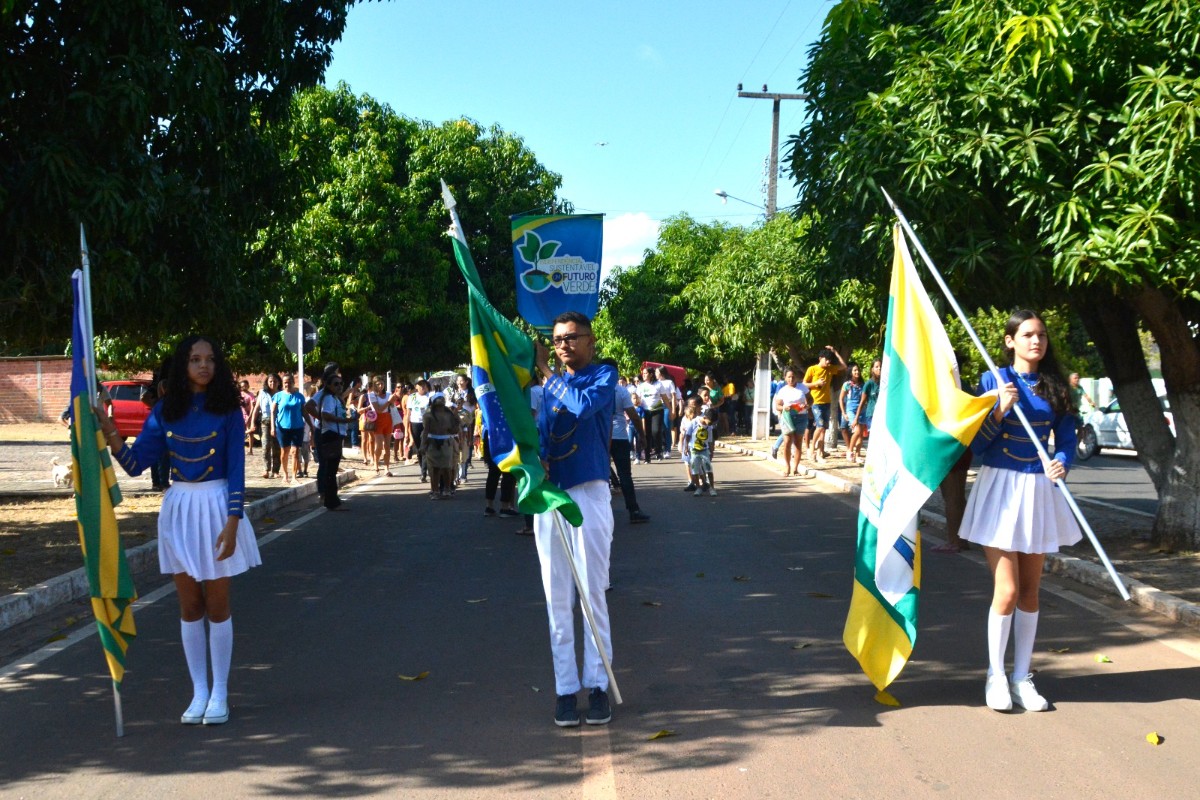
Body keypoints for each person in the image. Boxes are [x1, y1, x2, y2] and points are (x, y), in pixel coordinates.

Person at [97, 335, 261, 725]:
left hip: (219, 506)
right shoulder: (167, 412)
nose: (203, 366)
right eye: (194, 359)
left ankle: (220, 692)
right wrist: (109, 432)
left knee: (218, 607)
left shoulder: (228, 412)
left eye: (209, 359)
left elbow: (237, 469)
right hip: (180, 509)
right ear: (182, 366)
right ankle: (199, 691)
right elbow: (137, 464)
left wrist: (234, 521)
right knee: (190, 607)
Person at [959, 310, 1079, 713]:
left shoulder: (1055, 387)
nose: (1036, 342)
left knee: (1030, 592)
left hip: (1039, 488)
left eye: (1041, 335)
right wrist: (999, 409)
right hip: (1000, 487)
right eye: (1027, 335)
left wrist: (1062, 459)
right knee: (1007, 591)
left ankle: (1022, 676)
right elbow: (977, 446)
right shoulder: (994, 381)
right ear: (1010, 340)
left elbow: (1066, 436)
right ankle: (995, 674)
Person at [533, 311, 617, 727]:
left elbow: (583, 408)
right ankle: (565, 690)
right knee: (557, 599)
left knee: (592, 594)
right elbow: (543, 434)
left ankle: (598, 684)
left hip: (588, 493)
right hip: (552, 498)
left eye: (571, 337)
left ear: (590, 340)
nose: (563, 345)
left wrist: (546, 371)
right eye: (556, 339)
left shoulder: (604, 376)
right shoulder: (548, 388)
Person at [307, 369, 347, 510]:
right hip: (327, 432)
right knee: (327, 466)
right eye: (336, 383)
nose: (339, 386)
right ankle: (327, 497)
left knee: (330, 467)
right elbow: (310, 407)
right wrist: (322, 418)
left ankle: (330, 497)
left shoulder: (335, 397)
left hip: (333, 432)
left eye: (341, 383)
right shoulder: (325, 395)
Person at [803, 346, 847, 463]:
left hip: (827, 402)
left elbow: (843, 366)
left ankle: (820, 453)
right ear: (820, 358)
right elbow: (804, 384)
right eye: (826, 359)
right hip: (816, 402)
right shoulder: (812, 369)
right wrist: (816, 383)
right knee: (820, 426)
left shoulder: (830, 369)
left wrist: (835, 352)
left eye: (830, 360)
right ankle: (812, 449)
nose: (828, 362)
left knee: (823, 429)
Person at [772, 368, 811, 478]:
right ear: (785, 378)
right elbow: (777, 406)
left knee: (798, 443)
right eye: (788, 377)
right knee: (787, 441)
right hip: (788, 417)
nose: (791, 379)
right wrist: (784, 407)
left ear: (796, 377)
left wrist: (807, 405)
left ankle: (796, 468)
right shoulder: (782, 390)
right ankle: (787, 466)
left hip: (801, 416)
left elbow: (810, 399)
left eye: (793, 376)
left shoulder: (802, 387)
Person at [421, 392, 459, 499]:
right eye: (438, 399)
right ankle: (435, 491)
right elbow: (425, 431)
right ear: (433, 401)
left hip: (446, 442)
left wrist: (456, 419)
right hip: (432, 442)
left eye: (442, 399)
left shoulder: (449, 414)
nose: (440, 401)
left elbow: (454, 430)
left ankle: (447, 489)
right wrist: (423, 445)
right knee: (434, 469)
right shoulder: (428, 415)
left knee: (447, 467)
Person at [271, 374, 306, 484]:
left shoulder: (300, 396)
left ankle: (294, 477)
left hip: (297, 427)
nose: (288, 384)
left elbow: (304, 411)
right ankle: (285, 475)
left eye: (290, 381)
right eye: (285, 382)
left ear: (293, 382)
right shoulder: (278, 396)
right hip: (282, 427)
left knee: (295, 452)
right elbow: (273, 412)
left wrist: (311, 425)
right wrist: (272, 427)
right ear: (283, 383)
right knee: (284, 451)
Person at [405, 379, 431, 481]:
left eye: (424, 385)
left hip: (426, 424)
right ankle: (423, 469)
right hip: (415, 423)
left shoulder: (430, 396)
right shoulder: (412, 397)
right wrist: (407, 430)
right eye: (420, 385)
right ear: (416, 386)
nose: (422, 387)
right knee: (420, 449)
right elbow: (408, 414)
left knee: (425, 447)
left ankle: (424, 473)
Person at [839, 364, 865, 463]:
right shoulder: (847, 384)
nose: (857, 372)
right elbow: (841, 399)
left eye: (858, 370)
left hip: (862, 410)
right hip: (851, 410)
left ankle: (857, 455)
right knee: (857, 430)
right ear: (851, 372)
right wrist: (843, 412)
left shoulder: (863, 384)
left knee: (861, 434)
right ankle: (850, 450)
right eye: (854, 370)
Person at [257, 374, 282, 478]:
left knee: (277, 447)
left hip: (279, 422)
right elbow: (256, 408)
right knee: (266, 445)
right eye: (270, 381)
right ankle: (266, 469)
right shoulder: (263, 393)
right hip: (265, 421)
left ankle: (276, 471)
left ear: (279, 383)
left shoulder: (281, 394)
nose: (272, 383)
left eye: (275, 381)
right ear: (267, 382)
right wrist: (252, 422)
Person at [238, 380, 256, 455]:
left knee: (250, 432)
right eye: (242, 386)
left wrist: (249, 417)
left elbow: (252, 407)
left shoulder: (250, 395)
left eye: (245, 385)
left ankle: (250, 449)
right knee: (239, 432)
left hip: (249, 415)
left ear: (248, 386)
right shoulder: (239, 395)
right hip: (240, 415)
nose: (243, 387)